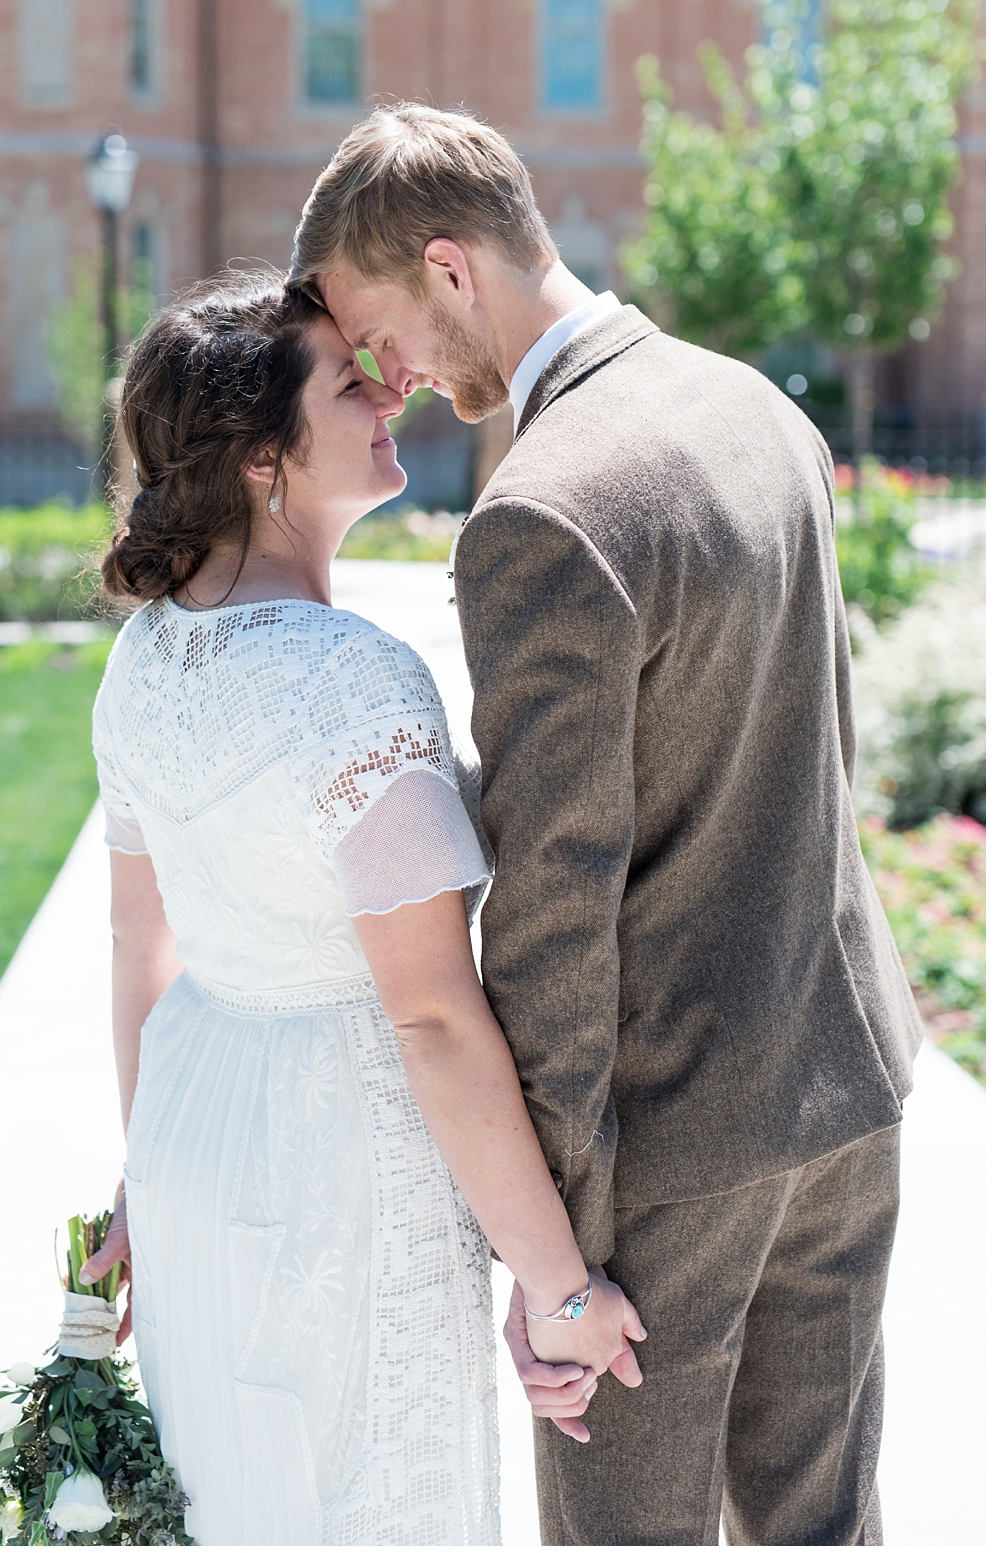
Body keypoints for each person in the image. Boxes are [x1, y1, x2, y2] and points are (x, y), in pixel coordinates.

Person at [288, 102, 920, 1545]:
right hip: (846, 1083)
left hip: (675, 1158)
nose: (383, 374)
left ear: (451, 268)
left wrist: (554, 1265)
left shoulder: (544, 513)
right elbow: (821, 748)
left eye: (375, 327)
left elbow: (551, 922)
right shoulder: (759, 405)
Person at [79, 268, 646, 1544]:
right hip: (334, 1159)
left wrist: (143, 1168)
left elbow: (138, 940)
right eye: (350, 384)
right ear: (264, 460)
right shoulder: (353, 685)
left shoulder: (143, 659)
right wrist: (559, 1288)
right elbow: (432, 1018)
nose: (391, 389)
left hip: (192, 1127)